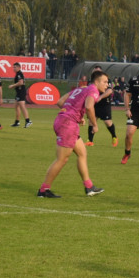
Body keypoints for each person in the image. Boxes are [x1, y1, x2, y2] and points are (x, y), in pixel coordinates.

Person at [36, 70, 108, 198]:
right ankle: (43, 190)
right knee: (62, 159)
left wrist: (74, 114)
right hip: (67, 125)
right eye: (105, 82)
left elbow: (60, 102)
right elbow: (89, 107)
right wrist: (94, 124)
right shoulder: (93, 91)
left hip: (65, 122)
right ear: (96, 82)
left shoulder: (81, 89)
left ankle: (89, 187)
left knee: (82, 153)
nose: (107, 85)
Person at [87, 65, 118, 147]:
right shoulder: (90, 81)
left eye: (98, 71)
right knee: (91, 121)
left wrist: (100, 97)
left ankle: (114, 136)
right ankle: (90, 141)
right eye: (95, 71)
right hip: (95, 103)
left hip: (104, 103)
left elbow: (110, 90)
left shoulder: (106, 79)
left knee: (107, 122)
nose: (96, 72)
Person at [10, 62, 32, 128]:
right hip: (18, 92)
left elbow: (21, 83)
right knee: (16, 106)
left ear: (19, 67)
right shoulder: (18, 74)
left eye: (15, 67)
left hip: (21, 92)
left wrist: (13, 86)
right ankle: (17, 122)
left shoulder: (19, 74)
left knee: (22, 106)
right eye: (13, 67)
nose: (14, 68)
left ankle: (28, 121)